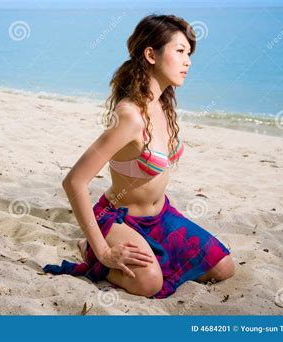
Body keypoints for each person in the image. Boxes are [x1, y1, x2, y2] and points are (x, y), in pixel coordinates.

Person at [43, 14, 234, 299]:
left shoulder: (165, 104)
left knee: (224, 268)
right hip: (120, 218)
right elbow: (74, 182)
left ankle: (138, 251)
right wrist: (105, 251)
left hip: (161, 215)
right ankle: (92, 250)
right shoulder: (130, 116)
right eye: (180, 51)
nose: (188, 61)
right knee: (149, 284)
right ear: (151, 54)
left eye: (189, 53)